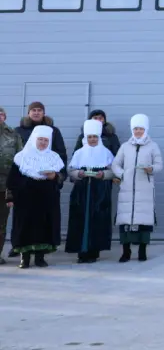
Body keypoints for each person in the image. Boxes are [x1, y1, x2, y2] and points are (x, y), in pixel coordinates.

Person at [5, 126, 63, 268]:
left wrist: (55, 176)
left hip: (47, 198)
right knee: (25, 226)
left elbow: (62, 177)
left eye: (45, 140)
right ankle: (24, 258)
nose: (43, 142)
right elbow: (12, 179)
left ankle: (40, 257)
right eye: (40, 139)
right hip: (25, 197)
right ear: (34, 140)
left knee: (44, 226)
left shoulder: (54, 157)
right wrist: (11, 198)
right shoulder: (21, 157)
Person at [112, 114, 163, 263]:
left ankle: (142, 251)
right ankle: (125, 252)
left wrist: (150, 169)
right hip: (127, 188)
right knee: (125, 220)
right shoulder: (125, 146)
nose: (138, 131)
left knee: (143, 221)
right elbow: (115, 164)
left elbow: (159, 165)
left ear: (146, 129)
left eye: (141, 128)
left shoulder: (153, 146)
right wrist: (123, 174)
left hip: (145, 188)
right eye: (135, 129)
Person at [65, 119, 115, 263]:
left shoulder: (106, 152)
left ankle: (94, 250)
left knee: (97, 219)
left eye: (95, 137)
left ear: (99, 138)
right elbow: (71, 170)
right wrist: (78, 174)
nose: (92, 139)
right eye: (90, 137)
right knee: (80, 218)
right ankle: (81, 251)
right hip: (82, 190)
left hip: (99, 190)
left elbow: (113, 170)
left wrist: (104, 175)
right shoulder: (79, 152)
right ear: (85, 138)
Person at [0, 107, 24, 263]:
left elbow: (20, 159)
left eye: (1, 114)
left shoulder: (14, 135)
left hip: (5, 187)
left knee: (1, 223)